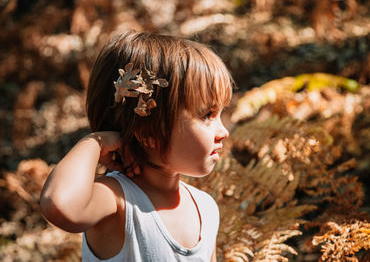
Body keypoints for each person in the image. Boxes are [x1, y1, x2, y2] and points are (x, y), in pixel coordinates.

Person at [40, 30, 233, 262]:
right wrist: (94, 142)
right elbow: (59, 205)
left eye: (221, 113)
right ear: (149, 132)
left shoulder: (206, 208)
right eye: (207, 115)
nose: (223, 131)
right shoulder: (118, 202)